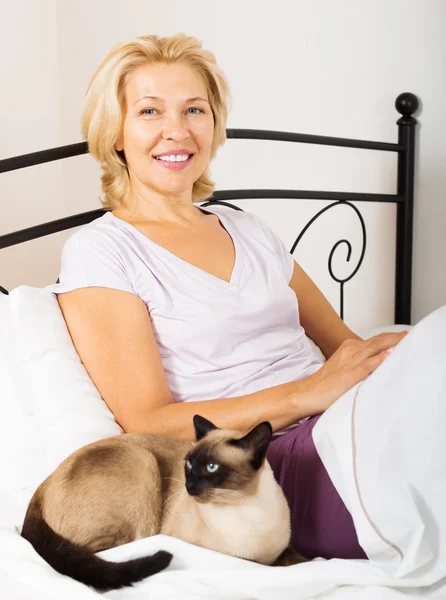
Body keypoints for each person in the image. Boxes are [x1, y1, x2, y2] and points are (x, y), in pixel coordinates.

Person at [45, 34, 407, 561]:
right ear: (116, 133)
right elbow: (147, 419)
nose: (178, 130)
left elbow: (347, 349)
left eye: (195, 108)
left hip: (348, 417)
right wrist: (308, 395)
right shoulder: (101, 251)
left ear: (213, 124)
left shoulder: (249, 228)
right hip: (267, 467)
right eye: (150, 111)